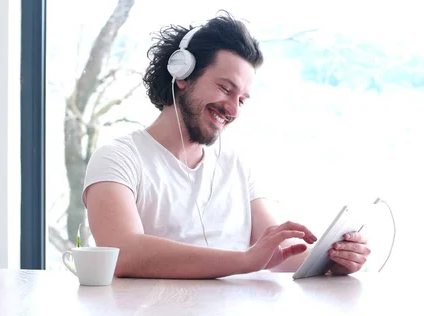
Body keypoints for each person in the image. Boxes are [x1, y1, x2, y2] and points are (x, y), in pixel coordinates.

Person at [82, 11, 371, 279]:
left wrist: (332, 260)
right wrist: (243, 261)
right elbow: (123, 254)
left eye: (242, 99)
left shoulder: (236, 166)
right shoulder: (117, 159)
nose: (232, 109)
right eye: (225, 89)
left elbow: (274, 252)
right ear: (183, 75)